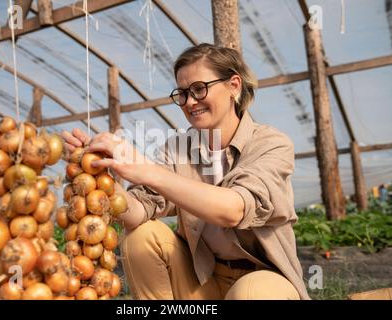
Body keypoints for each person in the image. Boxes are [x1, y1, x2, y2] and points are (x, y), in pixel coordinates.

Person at [62, 43, 310, 300]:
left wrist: (146, 169)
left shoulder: (271, 143)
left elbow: (234, 210)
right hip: (203, 280)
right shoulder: (178, 148)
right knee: (141, 237)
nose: (190, 102)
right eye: (182, 93)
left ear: (233, 85)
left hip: (263, 282)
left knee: (250, 293)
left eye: (199, 89)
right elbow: (138, 212)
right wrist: (103, 180)